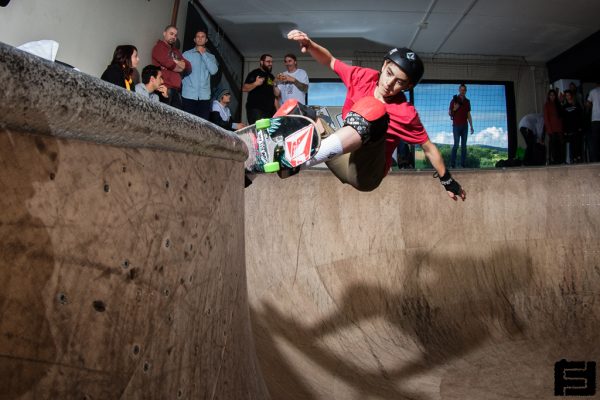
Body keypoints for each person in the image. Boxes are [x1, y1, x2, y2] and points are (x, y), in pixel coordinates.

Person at [286, 29, 465, 200]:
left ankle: (298, 162)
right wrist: (310, 45)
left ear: (407, 87)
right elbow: (330, 61)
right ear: (385, 64)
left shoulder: (406, 113)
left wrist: (447, 181)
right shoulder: (361, 77)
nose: (389, 83)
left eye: (399, 82)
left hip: (367, 174)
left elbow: (429, 148)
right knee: (298, 110)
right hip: (342, 158)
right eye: (388, 74)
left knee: (374, 109)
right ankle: (270, 163)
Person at [151, 25, 191, 109]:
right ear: (164, 33)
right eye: (171, 34)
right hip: (164, 88)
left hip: (176, 90)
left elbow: (188, 66)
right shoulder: (159, 48)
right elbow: (171, 65)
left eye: (175, 35)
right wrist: (179, 64)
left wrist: (175, 60)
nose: (173, 37)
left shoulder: (176, 52)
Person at [182, 29, 219, 119]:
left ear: (206, 40)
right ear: (194, 39)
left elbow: (214, 71)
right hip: (188, 95)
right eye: (198, 37)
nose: (200, 38)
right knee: (187, 123)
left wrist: (203, 54)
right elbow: (180, 71)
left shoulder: (211, 57)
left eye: (202, 37)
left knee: (203, 125)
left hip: (204, 97)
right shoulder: (186, 54)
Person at [243, 54, 278, 124]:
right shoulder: (255, 73)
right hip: (256, 110)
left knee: (268, 134)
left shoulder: (271, 76)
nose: (270, 64)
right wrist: (255, 83)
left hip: (269, 112)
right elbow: (244, 88)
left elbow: (274, 96)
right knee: (259, 133)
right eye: (268, 61)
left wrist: (278, 111)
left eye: (271, 62)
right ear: (261, 62)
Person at [448, 84, 474, 168]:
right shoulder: (454, 100)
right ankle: (453, 164)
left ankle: (463, 164)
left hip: (465, 126)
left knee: (464, 146)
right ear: (459, 90)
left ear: (466, 91)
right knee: (456, 145)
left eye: (464, 90)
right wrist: (454, 109)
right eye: (461, 90)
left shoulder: (467, 101)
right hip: (456, 126)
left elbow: (468, 114)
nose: (463, 91)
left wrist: (471, 126)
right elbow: (450, 113)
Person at [544, 89, 564, 164]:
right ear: (549, 96)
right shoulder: (547, 105)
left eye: (554, 95)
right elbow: (546, 118)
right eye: (551, 95)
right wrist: (549, 130)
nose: (552, 96)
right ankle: (552, 161)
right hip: (552, 129)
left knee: (560, 146)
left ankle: (560, 161)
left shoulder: (558, 104)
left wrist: (561, 102)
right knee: (553, 146)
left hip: (559, 129)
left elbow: (561, 117)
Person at [586, 81, 600, 162]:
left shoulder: (593, 91)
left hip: (595, 119)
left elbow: (588, 104)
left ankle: (596, 159)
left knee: (596, 140)